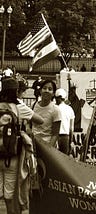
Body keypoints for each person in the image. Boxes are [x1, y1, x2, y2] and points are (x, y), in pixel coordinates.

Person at [0, 78, 42, 214]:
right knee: (10, 192)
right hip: (11, 156)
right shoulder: (18, 106)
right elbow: (39, 120)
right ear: (16, 91)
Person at [32, 80, 62, 148]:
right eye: (44, 88)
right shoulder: (33, 105)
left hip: (47, 146)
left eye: (50, 89)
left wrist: (48, 149)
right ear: (40, 91)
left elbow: (55, 134)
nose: (47, 91)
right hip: (34, 145)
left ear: (53, 93)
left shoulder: (56, 110)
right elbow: (29, 123)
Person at [55, 88, 75, 155]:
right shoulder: (70, 109)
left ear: (59, 98)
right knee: (65, 159)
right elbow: (71, 128)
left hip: (56, 137)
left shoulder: (55, 109)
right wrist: (71, 141)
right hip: (66, 137)